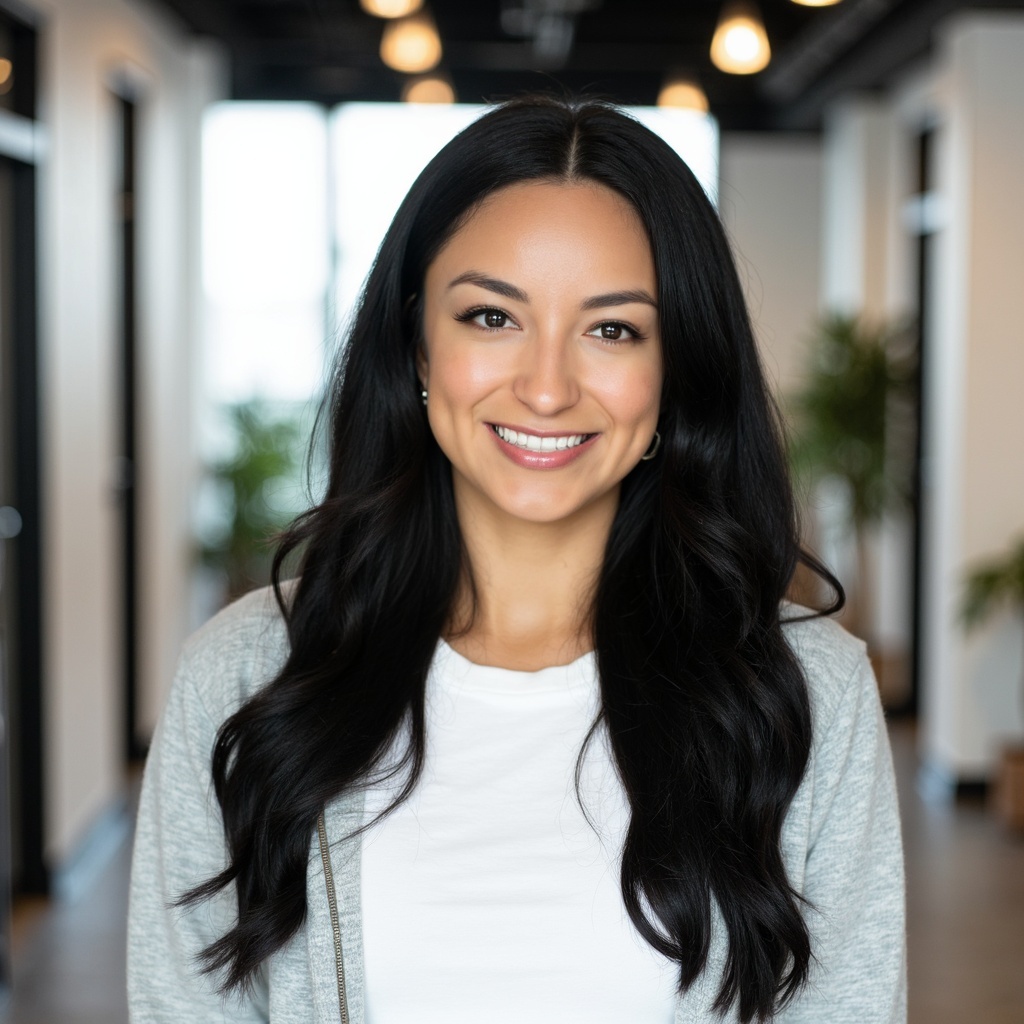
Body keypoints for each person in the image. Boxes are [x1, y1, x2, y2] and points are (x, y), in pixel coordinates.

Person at [127, 95, 905, 1024]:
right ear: (417, 342)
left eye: (613, 329)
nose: (545, 387)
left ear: (675, 369)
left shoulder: (806, 688)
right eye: (492, 317)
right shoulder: (250, 670)